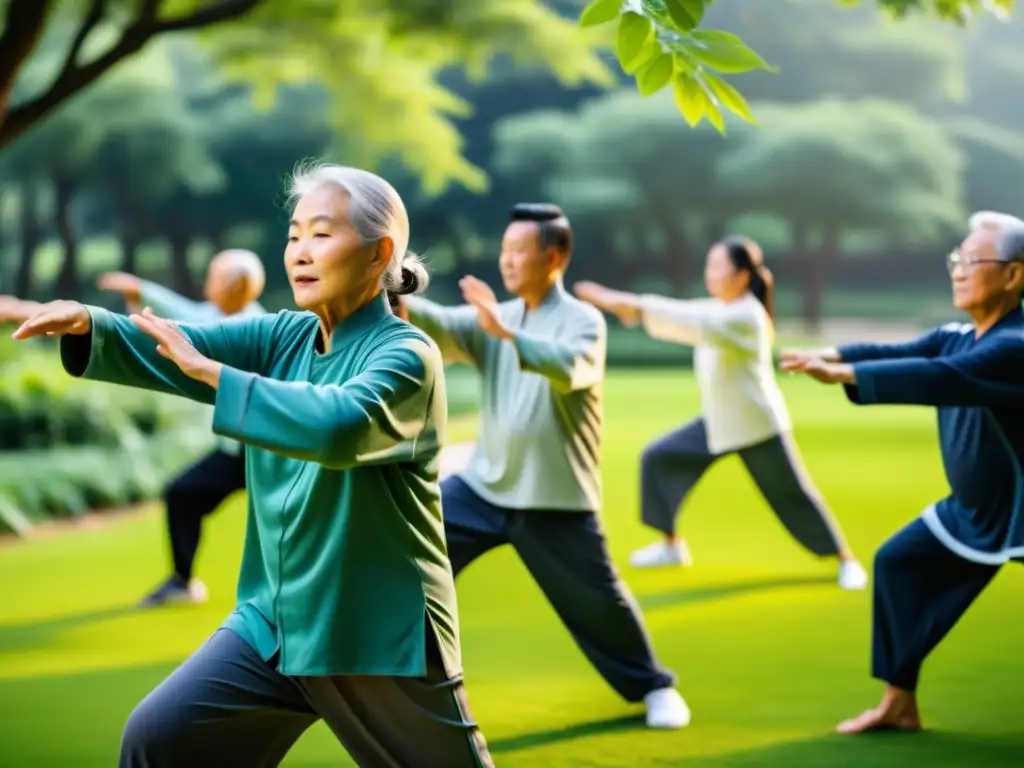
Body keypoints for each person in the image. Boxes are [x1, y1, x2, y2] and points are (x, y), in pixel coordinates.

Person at [11, 164, 492, 767]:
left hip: (373, 631)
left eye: (321, 234)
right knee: (160, 739)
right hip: (273, 623)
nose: (300, 252)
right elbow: (180, 341)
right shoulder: (284, 337)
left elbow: (340, 426)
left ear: (380, 254)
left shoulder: (408, 355)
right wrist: (92, 322)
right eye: (294, 235)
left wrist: (215, 376)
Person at [397, 203, 690, 730]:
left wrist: (505, 334)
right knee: (409, 556)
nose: (507, 261)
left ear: (553, 258)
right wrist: (389, 284)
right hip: (485, 487)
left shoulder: (583, 322)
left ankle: (654, 687)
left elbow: (569, 369)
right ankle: (400, 673)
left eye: (519, 251)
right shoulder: (497, 315)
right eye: (504, 250)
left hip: (555, 497)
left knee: (599, 605)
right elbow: (434, 322)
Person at [781, 220, 1024, 735]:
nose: (957, 272)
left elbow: (941, 379)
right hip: (974, 513)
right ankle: (898, 704)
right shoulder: (957, 336)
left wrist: (847, 375)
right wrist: (833, 356)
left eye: (971, 262)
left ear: (1013, 275)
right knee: (898, 562)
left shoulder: (1015, 345)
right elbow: (902, 354)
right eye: (954, 261)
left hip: (1022, 512)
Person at [573, 236, 867, 591]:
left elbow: (688, 319)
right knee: (659, 458)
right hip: (718, 420)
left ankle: (846, 560)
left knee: (793, 496)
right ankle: (671, 546)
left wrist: (627, 304)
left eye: (718, 267)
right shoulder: (722, 308)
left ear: (742, 276)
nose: (710, 274)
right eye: (708, 265)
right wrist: (631, 306)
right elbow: (690, 313)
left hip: (757, 426)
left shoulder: (747, 317)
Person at [97, 251, 267, 607]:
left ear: (236, 287)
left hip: (272, 451)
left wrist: (141, 290)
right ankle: (182, 581)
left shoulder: (256, 326)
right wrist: (140, 295)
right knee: (182, 493)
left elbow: (189, 320)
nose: (207, 285)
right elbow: (187, 313)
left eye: (214, 278)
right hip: (235, 451)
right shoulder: (218, 314)